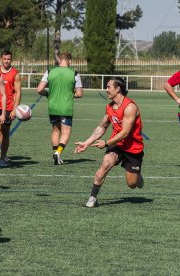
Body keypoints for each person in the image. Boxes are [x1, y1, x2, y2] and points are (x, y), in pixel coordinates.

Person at [74, 77, 144, 208]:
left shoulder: (130, 107)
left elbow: (125, 133)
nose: (106, 90)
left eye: (108, 87)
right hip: (117, 144)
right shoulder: (109, 107)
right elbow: (102, 127)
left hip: (133, 148)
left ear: (118, 89)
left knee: (132, 184)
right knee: (106, 164)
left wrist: (106, 143)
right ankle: (92, 197)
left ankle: (138, 176)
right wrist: (86, 143)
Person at [36, 52, 83, 165]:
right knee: (66, 132)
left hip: (53, 106)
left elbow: (39, 89)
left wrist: (48, 94)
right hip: (66, 107)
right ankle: (58, 152)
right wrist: (71, 94)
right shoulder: (74, 73)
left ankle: (55, 155)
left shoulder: (50, 72)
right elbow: (79, 94)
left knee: (56, 130)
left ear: (59, 61)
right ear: (70, 61)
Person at [0, 51, 22, 167]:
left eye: (8, 59)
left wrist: (14, 109)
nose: (6, 61)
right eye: (4, 59)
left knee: (4, 131)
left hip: (8, 107)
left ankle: (2, 157)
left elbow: (18, 92)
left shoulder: (15, 74)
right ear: (1, 59)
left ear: (11, 60)